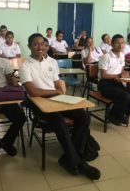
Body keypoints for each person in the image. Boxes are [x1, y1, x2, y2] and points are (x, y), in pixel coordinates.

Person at [20, 33, 100, 180]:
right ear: (29, 46)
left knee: (84, 116)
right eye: (36, 44)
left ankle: (69, 156)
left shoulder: (52, 62)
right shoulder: (25, 65)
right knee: (58, 121)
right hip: (38, 103)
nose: (40, 47)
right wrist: (55, 91)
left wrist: (60, 91)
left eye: (43, 44)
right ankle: (77, 162)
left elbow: (57, 83)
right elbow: (32, 91)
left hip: (57, 99)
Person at [98, 34, 130, 126]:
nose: (120, 45)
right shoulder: (105, 57)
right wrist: (119, 75)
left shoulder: (122, 55)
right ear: (111, 44)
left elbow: (121, 70)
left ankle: (122, 114)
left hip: (117, 83)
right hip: (105, 84)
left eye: (122, 43)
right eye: (117, 43)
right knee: (125, 96)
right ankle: (113, 116)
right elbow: (104, 75)